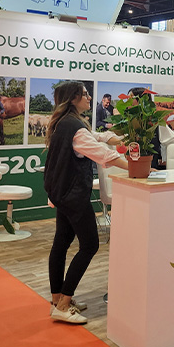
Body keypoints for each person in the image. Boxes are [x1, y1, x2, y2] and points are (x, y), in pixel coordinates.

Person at [44, 81, 129, 324]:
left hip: (60, 192)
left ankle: (58, 298)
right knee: (89, 244)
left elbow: (94, 138)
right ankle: (63, 303)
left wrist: (111, 136)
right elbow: (103, 154)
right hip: (73, 194)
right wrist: (139, 167)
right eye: (84, 94)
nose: (89, 97)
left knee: (62, 242)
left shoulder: (64, 122)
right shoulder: (75, 127)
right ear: (73, 98)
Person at [128, 87, 174, 166]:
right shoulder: (127, 123)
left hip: (150, 168)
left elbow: (173, 138)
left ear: (142, 100)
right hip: (130, 166)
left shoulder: (155, 122)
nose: (127, 101)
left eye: (131, 98)